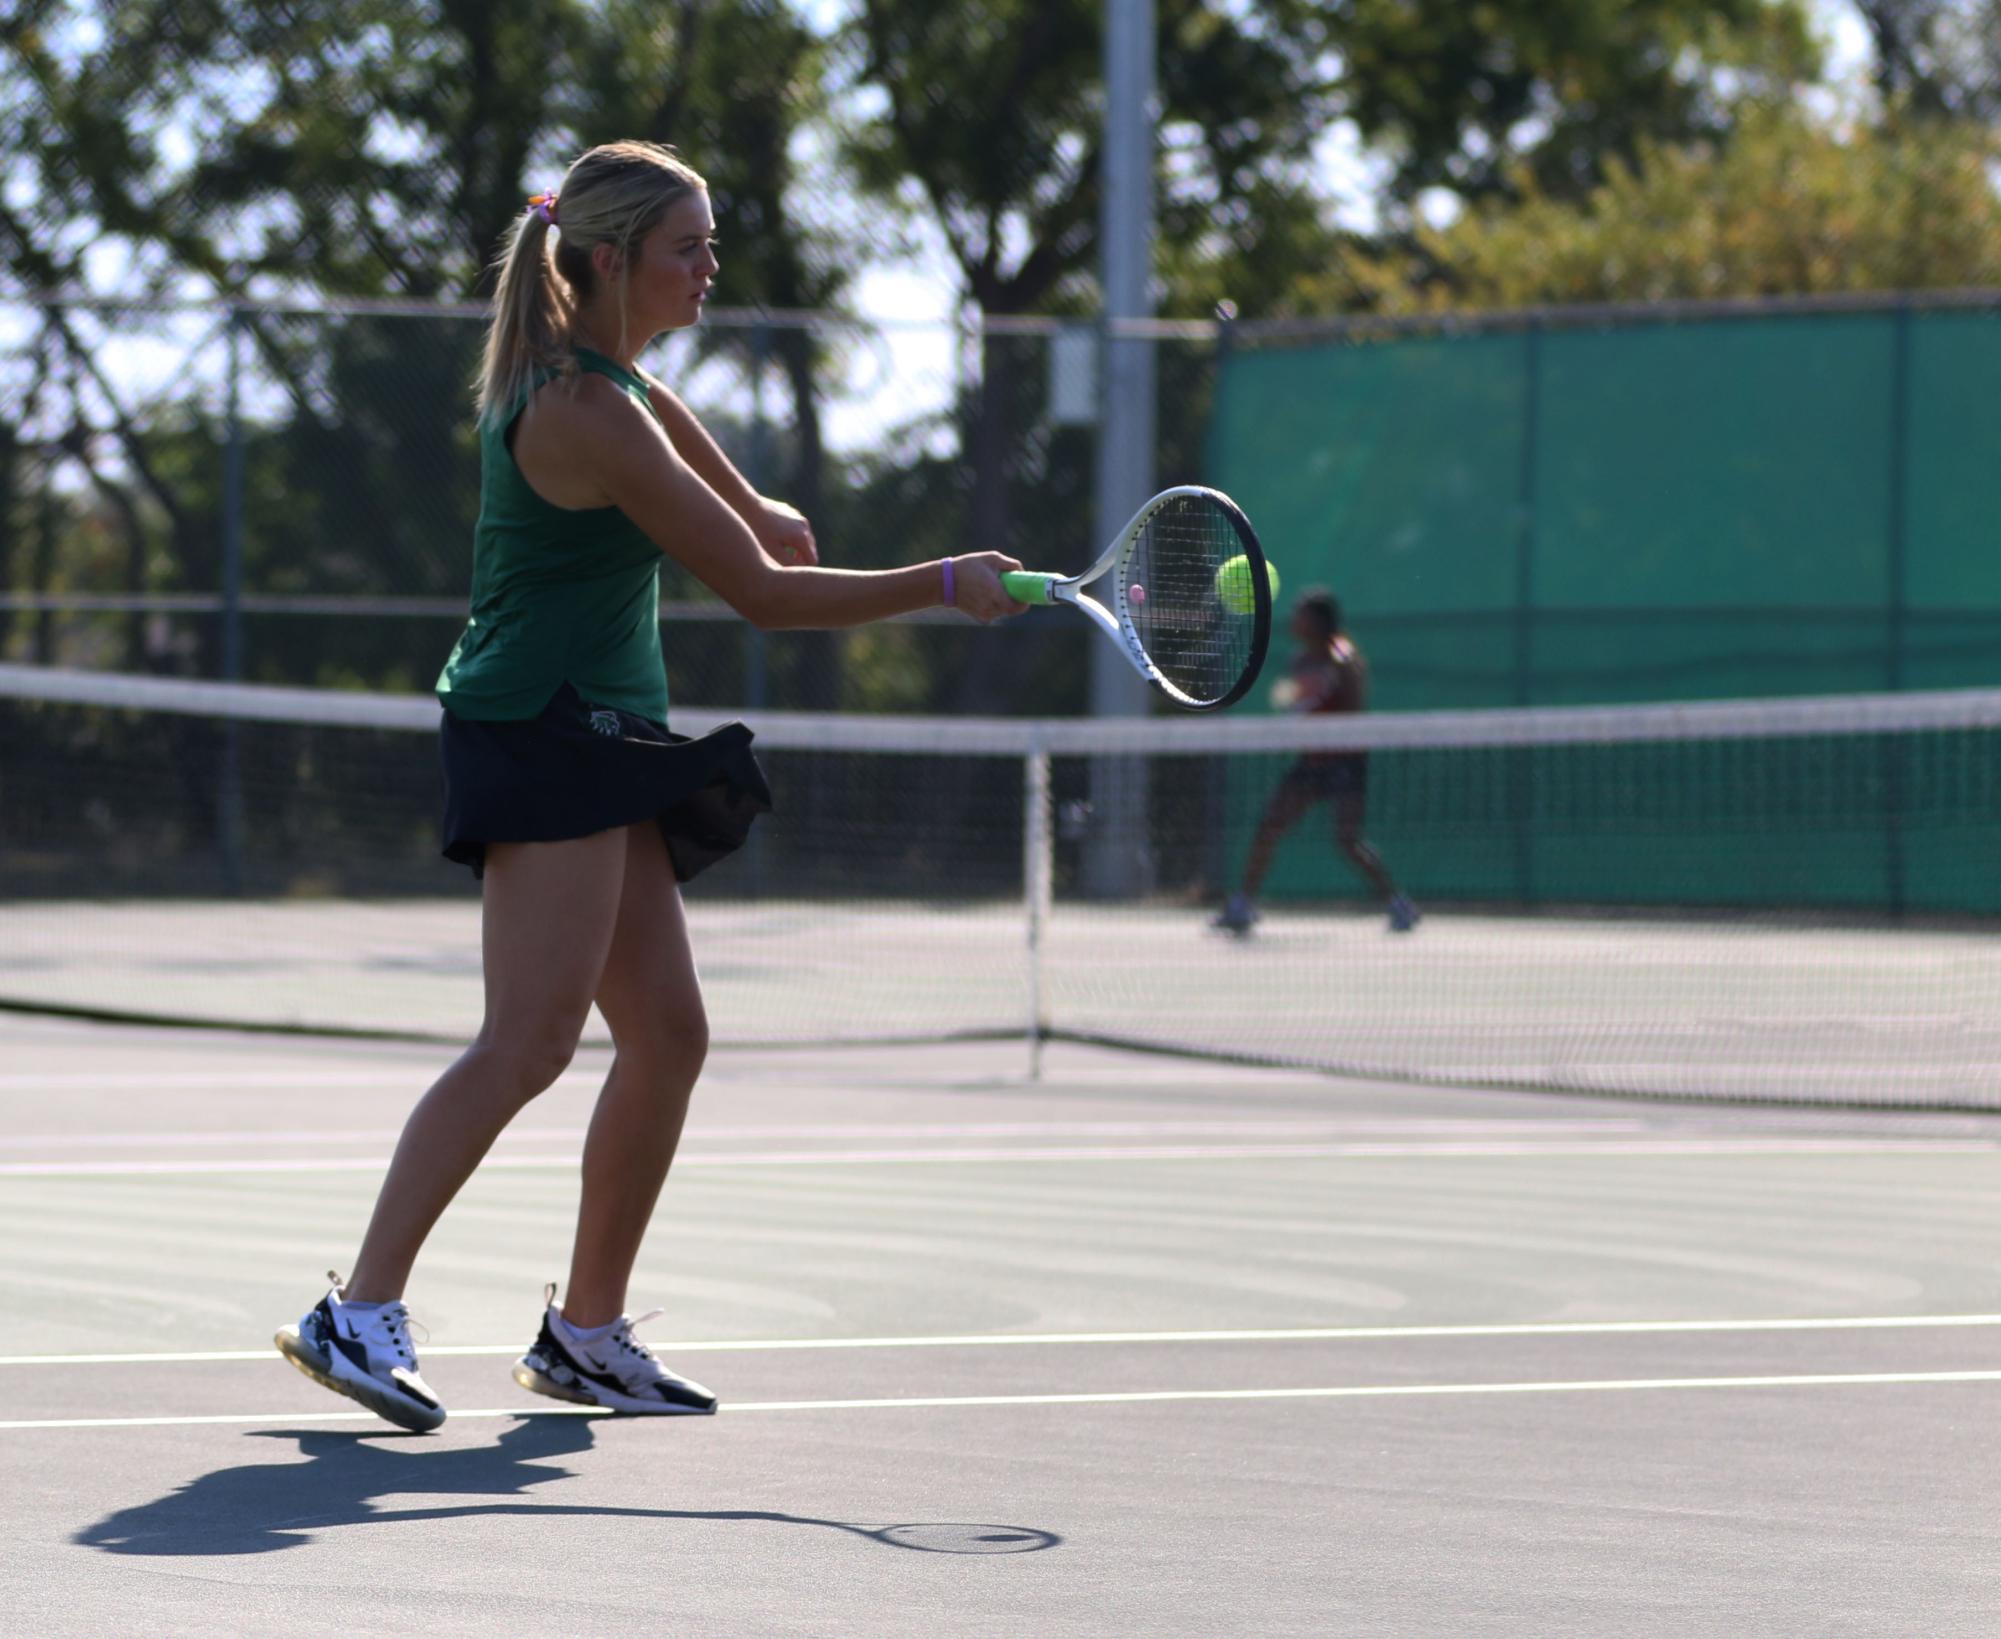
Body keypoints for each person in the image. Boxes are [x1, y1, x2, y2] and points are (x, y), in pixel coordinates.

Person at [275, 140, 1024, 1432]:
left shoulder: (602, 380)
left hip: (602, 729)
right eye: (690, 247)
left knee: (668, 1034)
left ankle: (585, 1332)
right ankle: (360, 1308)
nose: (711, 267)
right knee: (529, 1043)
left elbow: (685, 441)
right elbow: (766, 595)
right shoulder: (577, 412)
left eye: (712, 242)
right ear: (611, 260)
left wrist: (749, 494)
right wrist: (941, 582)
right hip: (540, 731)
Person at [1214, 589, 1418, 936]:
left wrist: (1325, 702)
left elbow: (1352, 708)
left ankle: (1398, 903)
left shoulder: (1344, 657)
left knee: (1348, 839)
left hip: (1345, 762)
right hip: (1312, 762)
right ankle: (1242, 905)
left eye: (1302, 613)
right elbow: (1298, 702)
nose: (1295, 619)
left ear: (1320, 621)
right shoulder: (1300, 662)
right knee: (1270, 826)